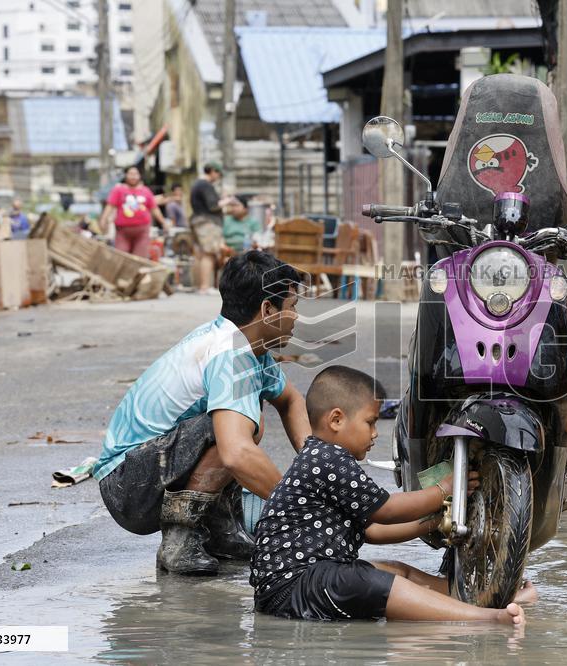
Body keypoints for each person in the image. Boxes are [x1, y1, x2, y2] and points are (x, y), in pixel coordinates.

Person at [250, 365, 533, 625]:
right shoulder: (328, 458)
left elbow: (373, 531)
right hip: (296, 585)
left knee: (397, 571)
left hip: (301, 584)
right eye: (370, 422)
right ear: (336, 419)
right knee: (372, 581)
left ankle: (487, 597)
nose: (375, 434)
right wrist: (443, 490)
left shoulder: (324, 457)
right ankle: (487, 619)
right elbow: (385, 510)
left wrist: (435, 522)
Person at [95, 251, 312, 575]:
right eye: (293, 307)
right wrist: (301, 508)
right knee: (235, 427)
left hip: (143, 472)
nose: (296, 317)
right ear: (268, 310)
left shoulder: (247, 346)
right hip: (127, 487)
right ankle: (182, 540)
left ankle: (218, 533)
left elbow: (291, 400)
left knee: (246, 418)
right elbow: (237, 453)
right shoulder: (228, 354)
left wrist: (317, 465)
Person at [101, 166, 169, 258]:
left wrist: (163, 223)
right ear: (126, 176)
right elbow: (110, 206)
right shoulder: (118, 190)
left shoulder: (146, 191)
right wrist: (103, 219)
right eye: (131, 174)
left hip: (142, 232)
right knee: (121, 257)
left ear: (139, 176)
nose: (133, 177)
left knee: (140, 259)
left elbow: (154, 209)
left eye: (135, 174)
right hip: (122, 232)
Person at [190, 162, 228, 294]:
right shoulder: (205, 185)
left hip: (198, 221)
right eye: (217, 173)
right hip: (207, 222)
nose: (218, 176)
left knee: (200, 254)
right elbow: (213, 206)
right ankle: (205, 287)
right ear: (212, 171)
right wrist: (227, 201)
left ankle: (200, 285)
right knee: (209, 253)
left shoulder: (197, 184)